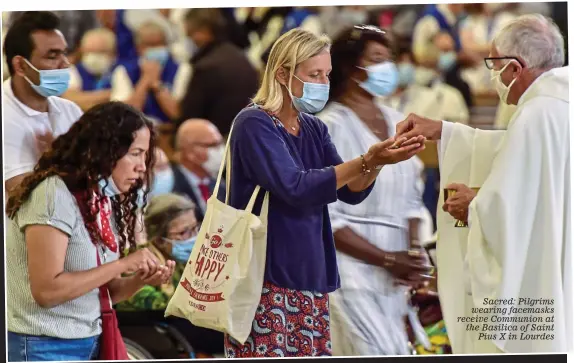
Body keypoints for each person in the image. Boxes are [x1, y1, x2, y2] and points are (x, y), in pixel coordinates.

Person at [223, 28, 427, 358]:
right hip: (266, 274)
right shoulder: (254, 123)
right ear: (282, 74)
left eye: (327, 74)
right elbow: (296, 186)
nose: (323, 82)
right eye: (314, 74)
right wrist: (366, 159)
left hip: (312, 274)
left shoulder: (313, 127)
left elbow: (351, 191)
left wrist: (378, 162)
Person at [394, 14, 570, 354]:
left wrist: (475, 205)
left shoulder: (536, 115)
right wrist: (444, 132)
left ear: (515, 68)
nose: (492, 76)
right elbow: (523, 167)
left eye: (494, 64)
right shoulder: (559, 104)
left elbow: (509, 206)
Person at [5, 101, 176, 361]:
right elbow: (47, 292)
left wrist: (141, 279)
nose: (142, 166)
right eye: (135, 153)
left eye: (145, 155)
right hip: (43, 346)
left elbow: (104, 293)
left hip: (89, 341)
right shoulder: (53, 194)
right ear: (105, 151)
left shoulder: (100, 197)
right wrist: (124, 264)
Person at [317, 24, 432, 356]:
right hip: (349, 270)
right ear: (354, 69)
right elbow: (327, 214)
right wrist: (384, 259)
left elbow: (412, 197)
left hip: (396, 274)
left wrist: (412, 252)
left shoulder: (399, 120)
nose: (389, 68)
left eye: (389, 59)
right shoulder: (329, 126)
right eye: (378, 59)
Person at [115, 193, 225, 357]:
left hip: (180, 323)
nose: (193, 237)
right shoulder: (135, 260)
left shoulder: (183, 260)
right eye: (184, 232)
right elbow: (146, 302)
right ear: (159, 240)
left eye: (196, 228)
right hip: (151, 327)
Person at [3, 11, 83, 197]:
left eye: (64, 53)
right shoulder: (5, 116)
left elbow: (94, 177)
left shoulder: (70, 111)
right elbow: (20, 194)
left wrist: (54, 164)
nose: (65, 64)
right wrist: (55, 163)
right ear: (21, 66)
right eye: (52, 56)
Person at [177, 8, 259, 137]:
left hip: (214, 144)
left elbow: (189, 118)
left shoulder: (206, 67)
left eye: (191, 34)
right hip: (247, 137)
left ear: (204, 31)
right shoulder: (242, 58)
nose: (191, 40)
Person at [110, 20, 191, 124]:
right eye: (149, 45)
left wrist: (156, 85)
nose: (155, 48)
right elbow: (123, 116)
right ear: (139, 48)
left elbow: (176, 113)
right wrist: (145, 80)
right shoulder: (123, 71)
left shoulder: (182, 69)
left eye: (159, 43)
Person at [172, 118, 225, 223]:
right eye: (212, 145)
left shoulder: (221, 186)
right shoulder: (171, 185)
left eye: (220, 143)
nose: (220, 150)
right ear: (188, 150)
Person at [62, 28, 117, 111]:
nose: (94, 58)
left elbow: (126, 101)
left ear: (112, 53)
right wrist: (110, 93)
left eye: (100, 52)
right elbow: (70, 100)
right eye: (89, 52)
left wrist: (85, 99)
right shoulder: (73, 71)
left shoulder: (120, 70)